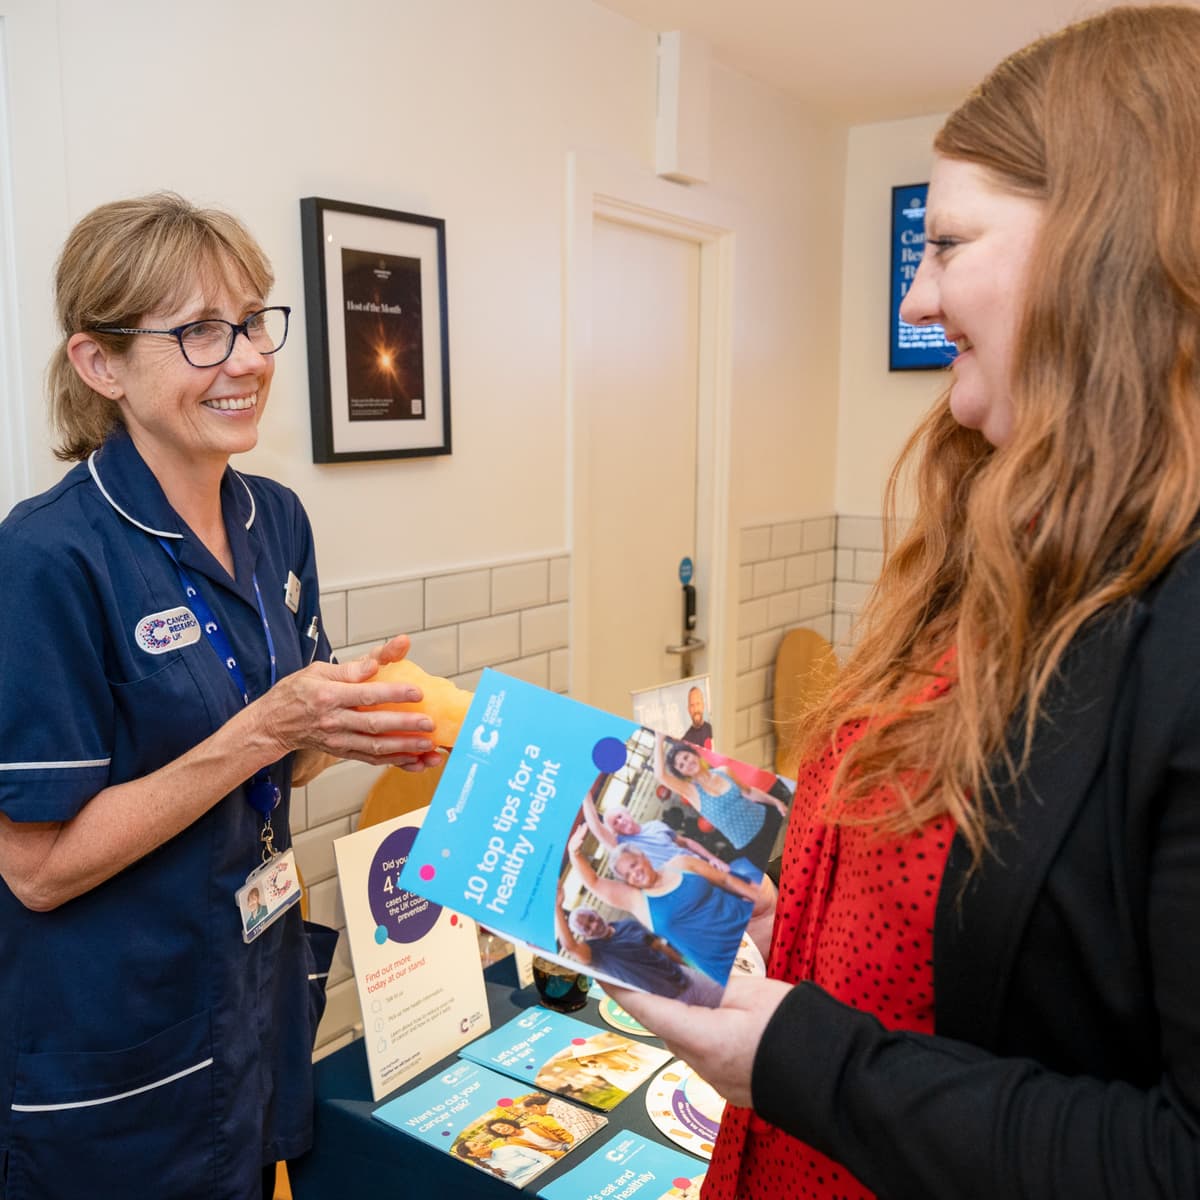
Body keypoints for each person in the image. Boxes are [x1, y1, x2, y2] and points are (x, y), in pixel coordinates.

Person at [606, 7, 1200, 1198]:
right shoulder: (995, 542)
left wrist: (796, 1053)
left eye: (948, 244)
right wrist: (800, 927)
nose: (917, 301)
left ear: (1108, 249)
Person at [0, 193, 443, 1200]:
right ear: (99, 364)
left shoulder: (273, 518)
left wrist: (346, 722)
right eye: (200, 331)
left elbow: (285, 749)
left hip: (247, 997)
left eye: (251, 321)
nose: (245, 358)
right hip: (115, 1044)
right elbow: (36, 871)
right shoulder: (46, 558)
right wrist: (265, 730)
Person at [567, 827, 772, 985]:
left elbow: (726, 880)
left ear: (643, 857)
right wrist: (574, 853)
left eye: (633, 865)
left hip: (752, 931)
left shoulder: (681, 863)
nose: (634, 874)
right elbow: (594, 882)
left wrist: (765, 904)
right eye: (627, 875)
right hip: (728, 967)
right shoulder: (638, 902)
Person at [554, 888, 725, 1005]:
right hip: (667, 1001)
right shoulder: (595, 953)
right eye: (586, 927)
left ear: (595, 913)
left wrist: (688, 969)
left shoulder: (627, 925)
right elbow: (570, 947)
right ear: (584, 935)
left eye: (590, 918)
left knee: (730, 1003)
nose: (593, 925)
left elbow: (659, 947)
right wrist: (557, 908)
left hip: (685, 977)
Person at [655, 734, 787, 868]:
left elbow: (749, 792)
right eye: (681, 765)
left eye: (686, 757)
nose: (687, 763)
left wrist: (776, 802)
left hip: (769, 820)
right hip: (751, 845)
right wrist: (659, 739)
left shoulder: (724, 771)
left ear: (694, 754)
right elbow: (660, 775)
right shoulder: (691, 792)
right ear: (682, 774)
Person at [579, 787, 731, 873]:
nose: (620, 821)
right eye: (615, 823)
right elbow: (595, 827)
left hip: (701, 866)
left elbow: (686, 842)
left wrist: (713, 859)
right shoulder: (622, 846)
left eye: (619, 816)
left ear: (627, 812)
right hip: (679, 881)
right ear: (615, 832)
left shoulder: (655, 825)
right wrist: (584, 794)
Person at [680, 684, 713, 748]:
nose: (695, 709)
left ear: (703, 706)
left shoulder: (712, 730)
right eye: (692, 705)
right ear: (689, 709)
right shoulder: (685, 741)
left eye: (698, 704)